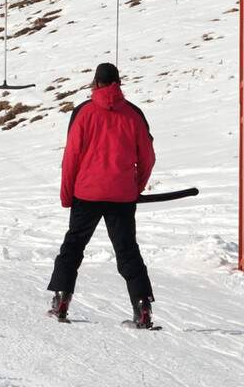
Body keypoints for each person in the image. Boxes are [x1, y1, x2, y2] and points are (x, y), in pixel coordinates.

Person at [47, 62, 157, 329]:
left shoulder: (83, 113)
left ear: (95, 83)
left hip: (87, 193)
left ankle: (62, 300)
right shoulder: (134, 114)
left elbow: (71, 157)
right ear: (118, 83)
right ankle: (142, 308)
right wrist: (136, 186)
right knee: (128, 251)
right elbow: (148, 157)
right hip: (122, 196)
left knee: (73, 247)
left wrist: (66, 195)